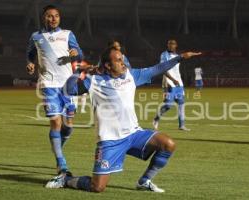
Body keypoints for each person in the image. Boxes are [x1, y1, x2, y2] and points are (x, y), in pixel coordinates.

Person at [45, 47, 201, 192]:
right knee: (97, 187)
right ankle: (67, 179)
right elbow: (68, 90)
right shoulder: (94, 81)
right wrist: (78, 71)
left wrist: (180, 57)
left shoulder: (131, 75)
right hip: (110, 141)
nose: (123, 62)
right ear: (107, 65)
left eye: (122, 59)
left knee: (168, 144)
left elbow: (157, 69)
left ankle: (144, 182)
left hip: (134, 134)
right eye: (118, 60)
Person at [26, 5, 83, 175]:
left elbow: (79, 54)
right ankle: (61, 163)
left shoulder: (67, 34)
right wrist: (30, 63)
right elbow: (30, 53)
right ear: (44, 18)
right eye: (49, 16)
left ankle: (58, 146)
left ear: (59, 18)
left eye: (56, 16)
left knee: (69, 126)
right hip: (48, 84)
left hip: (68, 85)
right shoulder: (36, 36)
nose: (53, 19)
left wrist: (75, 53)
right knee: (56, 122)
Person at [153, 39, 190, 131]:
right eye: (169, 44)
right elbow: (163, 69)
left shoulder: (178, 56)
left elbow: (176, 71)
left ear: (176, 45)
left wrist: (179, 81)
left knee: (181, 103)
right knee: (168, 105)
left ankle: (181, 125)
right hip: (169, 84)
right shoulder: (164, 55)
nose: (170, 45)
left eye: (172, 44)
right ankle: (156, 118)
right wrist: (172, 80)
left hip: (179, 84)